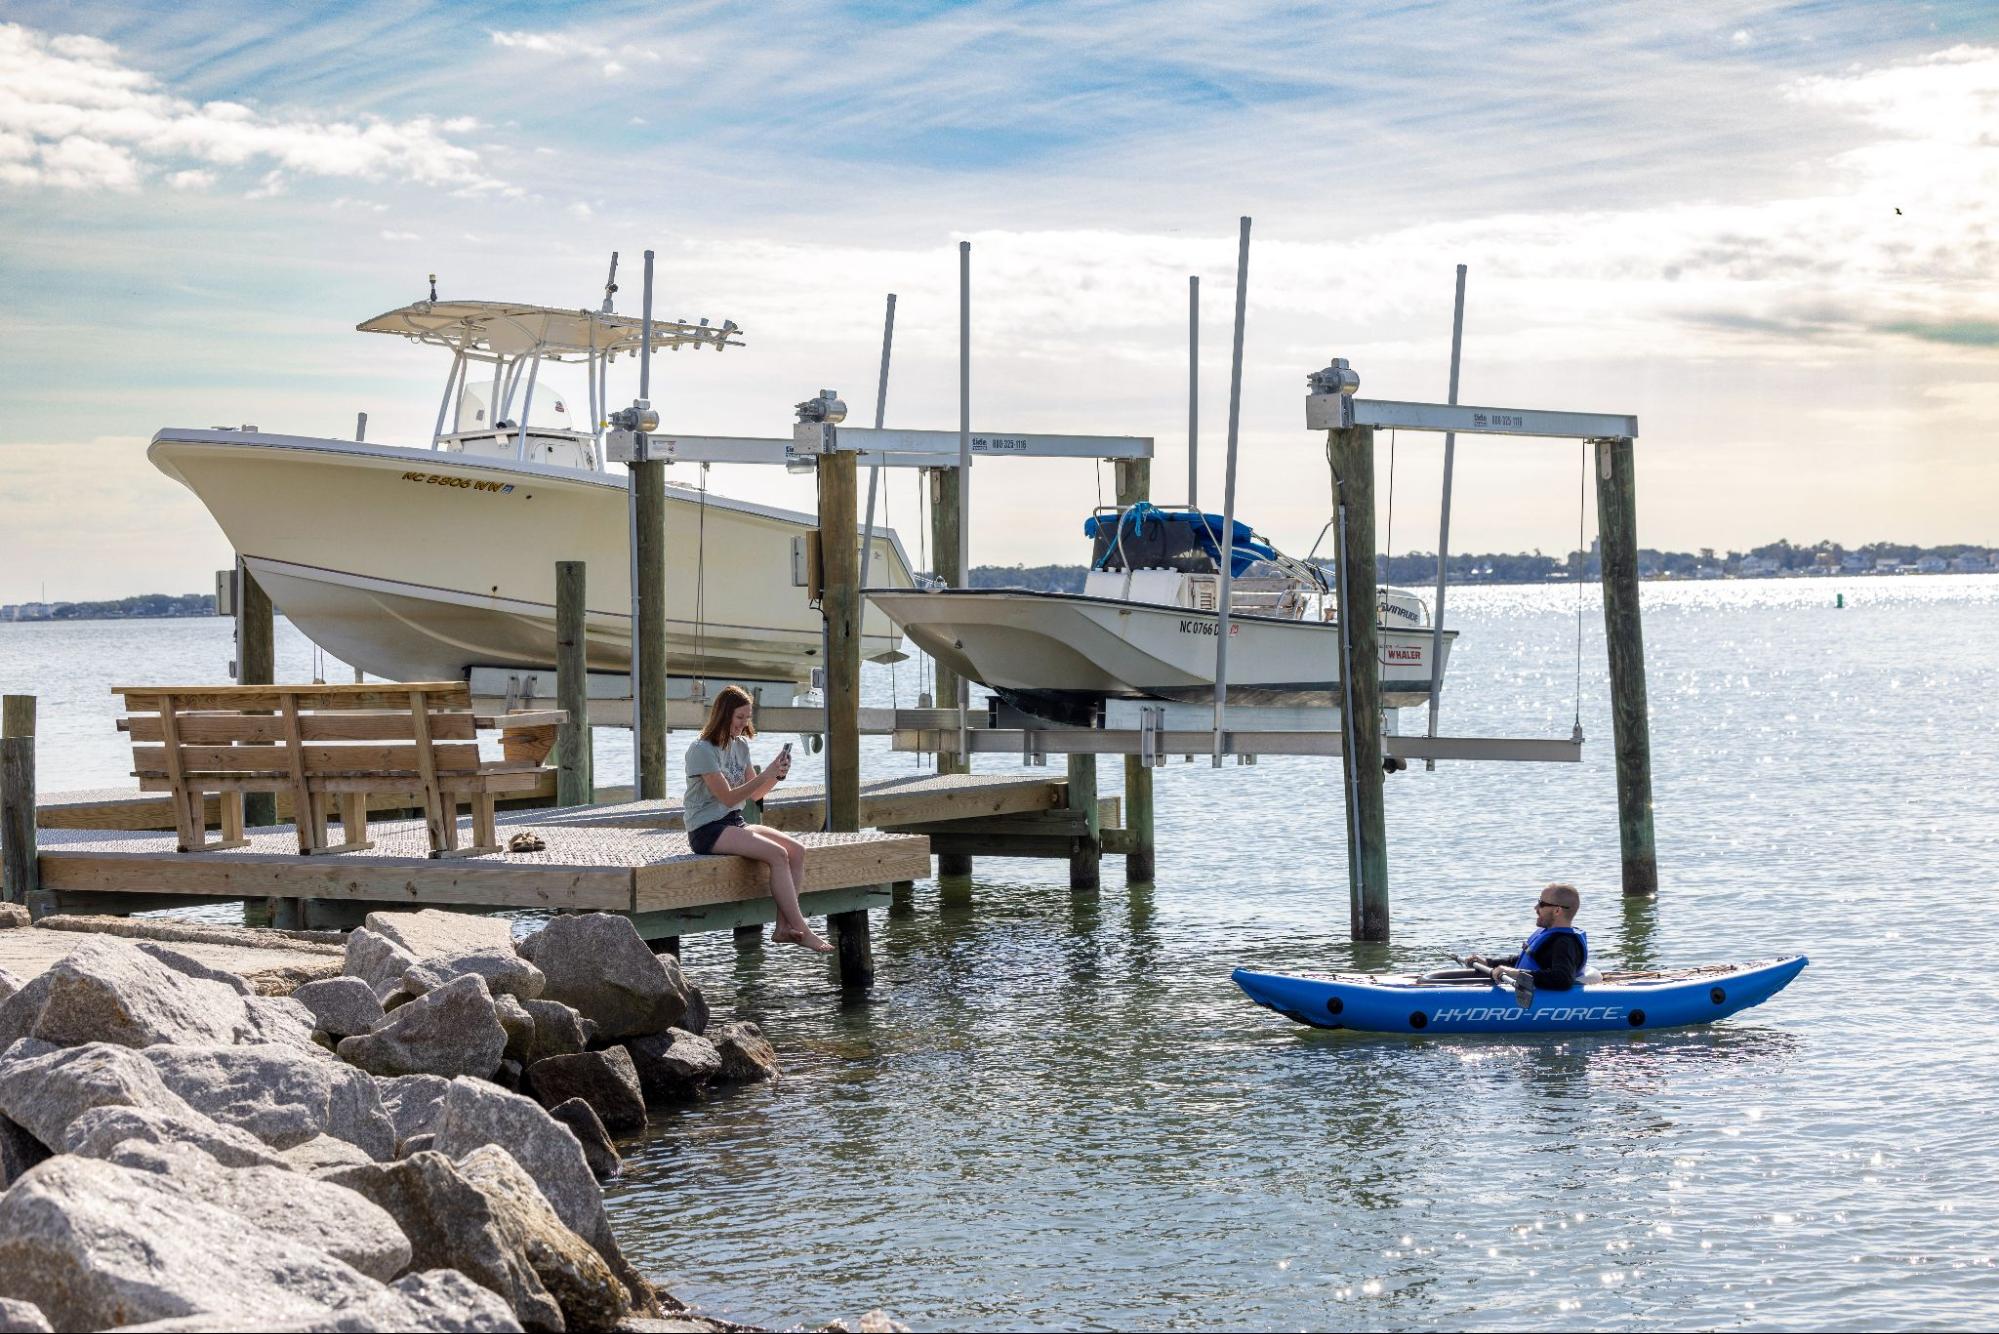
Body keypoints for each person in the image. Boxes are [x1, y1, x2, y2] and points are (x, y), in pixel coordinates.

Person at [683, 684, 831, 953]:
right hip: (706, 829)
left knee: (797, 850)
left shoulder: (739, 746)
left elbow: (757, 794)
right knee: (777, 855)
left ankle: (784, 927)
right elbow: (727, 797)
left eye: (747, 717)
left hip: (733, 822)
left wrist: (778, 774)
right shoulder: (701, 749)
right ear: (723, 715)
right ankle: (804, 930)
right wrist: (768, 773)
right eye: (739, 717)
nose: (744, 723)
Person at [1468, 882, 1587, 991]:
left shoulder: (1565, 942)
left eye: (1541, 904)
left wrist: (1514, 973)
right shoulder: (1549, 936)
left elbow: (1563, 979)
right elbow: (1526, 960)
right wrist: (1489, 962)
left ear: (1557, 911)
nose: (1536, 908)